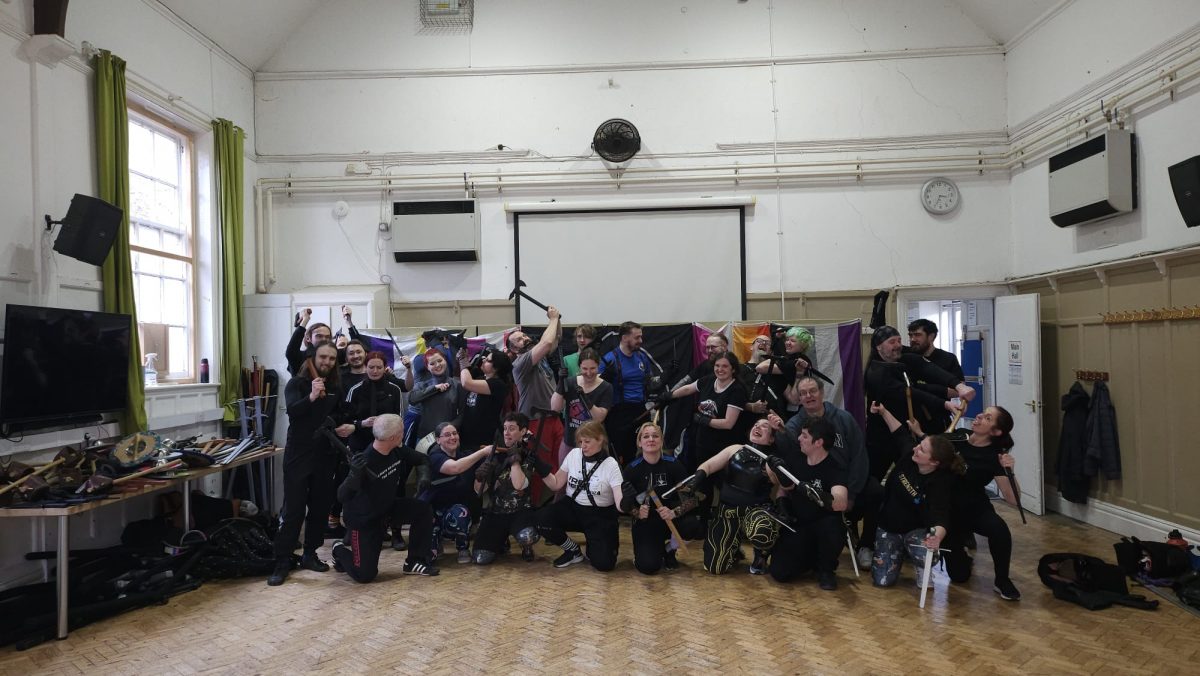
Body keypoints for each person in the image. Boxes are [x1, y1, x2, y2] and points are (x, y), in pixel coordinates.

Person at [772, 375, 878, 570]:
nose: (808, 396)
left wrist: (851, 493)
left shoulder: (844, 419)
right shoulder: (794, 425)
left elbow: (859, 456)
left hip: (845, 479)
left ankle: (866, 545)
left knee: (875, 491)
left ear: (822, 393)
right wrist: (780, 432)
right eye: (803, 393)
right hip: (816, 482)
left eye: (813, 391)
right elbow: (788, 454)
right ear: (799, 399)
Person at [329, 414, 438, 582]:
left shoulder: (397, 449)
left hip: (387, 508)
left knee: (422, 510)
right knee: (364, 575)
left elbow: (422, 459)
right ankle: (338, 549)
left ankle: (414, 561)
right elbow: (342, 496)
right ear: (393, 437)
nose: (404, 434)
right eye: (402, 431)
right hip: (364, 520)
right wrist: (354, 475)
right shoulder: (365, 461)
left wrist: (424, 476)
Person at [867, 400, 963, 588]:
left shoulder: (940, 483)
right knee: (883, 581)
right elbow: (899, 432)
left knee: (927, 555)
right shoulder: (909, 458)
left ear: (933, 462)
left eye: (922, 450)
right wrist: (883, 411)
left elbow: (941, 517)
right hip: (889, 526)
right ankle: (897, 553)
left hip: (915, 530)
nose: (915, 448)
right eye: (919, 445)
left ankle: (920, 566)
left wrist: (936, 538)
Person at [269, 343, 343, 586]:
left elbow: (340, 413)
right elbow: (293, 411)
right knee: (294, 509)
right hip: (298, 453)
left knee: (320, 507)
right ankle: (282, 560)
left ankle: (310, 554)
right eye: (323, 357)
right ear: (313, 357)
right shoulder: (296, 384)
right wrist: (311, 396)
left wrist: (345, 424)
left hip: (325, 453)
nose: (327, 362)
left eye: (331, 358)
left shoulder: (335, 386)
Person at [937, 406, 1023, 601]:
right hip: (948, 511)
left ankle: (1002, 580)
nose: (979, 416)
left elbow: (1012, 499)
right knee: (959, 576)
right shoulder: (958, 436)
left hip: (975, 508)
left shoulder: (995, 456)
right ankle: (962, 551)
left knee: (999, 529)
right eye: (983, 413)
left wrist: (1010, 470)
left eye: (987, 418)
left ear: (996, 431)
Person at [682, 418, 786, 575]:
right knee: (715, 567)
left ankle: (761, 556)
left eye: (765, 426)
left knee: (763, 529)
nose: (758, 427)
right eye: (756, 424)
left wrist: (778, 467)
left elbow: (785, 485)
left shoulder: (770, 462)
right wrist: (697, 479)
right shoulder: (735, 449)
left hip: (755, 512)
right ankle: (733, 548)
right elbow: (708, 465)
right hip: (727, 510)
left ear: (771, 438)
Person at [329, 350, 406, 536]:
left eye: (379, 367)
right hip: (361, 445)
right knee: (358, 487)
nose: (375, 371)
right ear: (366, 367)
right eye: (371, 367)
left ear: (385, 368)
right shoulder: (355, 390)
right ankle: (353, 529)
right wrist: (361, 423)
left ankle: (394, 531)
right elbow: (345, 419)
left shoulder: (394, 389)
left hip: (386, 446)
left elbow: (399, 419)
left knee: (391, 487)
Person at [767, 417, 849, 590]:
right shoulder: (796, 458)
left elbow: (841, 502)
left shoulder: (835, 467)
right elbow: (785, 488)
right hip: (799, 524)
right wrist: (782, 503)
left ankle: (826, 570)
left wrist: (815, 493)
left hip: (823, 526)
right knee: (779, 572)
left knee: (833, 526)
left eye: (804, 436)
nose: (799, 439)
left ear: (818, 442)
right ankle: (809, 560)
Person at [536, 420, 628, 571]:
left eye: (587, 441)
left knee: (604, 564)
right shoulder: (574, 454)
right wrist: (540, 467)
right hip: (573, 508)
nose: (583, 446)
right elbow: (556, 484)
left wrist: (627, 501)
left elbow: (619, 504)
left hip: (600, 516)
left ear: (600, 440)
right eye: (580, 442)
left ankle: (593, 545)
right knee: (541, 519)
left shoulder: (611, 465)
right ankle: (572, 550)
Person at [622, 422, 703, 575]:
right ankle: (654, 552)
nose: (651, 439)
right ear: (640, 442)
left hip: (670, 519)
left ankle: (669, 550)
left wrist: (674, 512)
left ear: (661, 440)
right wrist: (637, 512)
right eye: (646, 436)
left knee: (693, 525)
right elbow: (624, 505)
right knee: (648, 567)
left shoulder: (674, 465)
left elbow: (692, 500)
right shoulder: (631, 469)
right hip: (646, 522)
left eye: (655, 436)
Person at [507, 306, 566, 503]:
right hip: (535, 421)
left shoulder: (540, 358)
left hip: (553, 418)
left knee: (559, 464)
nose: (524, 339)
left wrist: (556, 319)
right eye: (519, 340)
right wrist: (553, 319)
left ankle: (554, 506)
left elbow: (555, 337)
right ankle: (535, 507)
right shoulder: (520, 363)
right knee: (541, 468)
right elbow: (547, 342)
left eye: (524, 336)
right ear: (513, 350)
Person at [472, 413, 547, 564]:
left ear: (523, 431)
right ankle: (501, 540)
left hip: (520, 511)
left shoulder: (528, 455)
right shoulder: (495, 454)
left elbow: (519, 485)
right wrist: (480, 477)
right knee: (481, 558)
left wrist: (514, 461)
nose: (507, 432)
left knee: (527, 536)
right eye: (505, 428)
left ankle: (526, 547)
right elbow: (479, 490)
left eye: (512, 429)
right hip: (496, 512)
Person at [419, 422, 492, 564]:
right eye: (447, 435)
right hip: (433, 512)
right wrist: (483, 452)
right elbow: (455, 468)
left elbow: (479, 490)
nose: (453, 437)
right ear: (438, 440)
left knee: (461, 512)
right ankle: (436, 543)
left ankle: (463, 548)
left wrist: (481, 477)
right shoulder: (435, 457)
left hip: (457, 513)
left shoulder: (467, 456)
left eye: (455, 433)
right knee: (428, 558)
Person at [665, 352, 747, 471]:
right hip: (702, 440)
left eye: (725, 366)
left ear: (733, 369)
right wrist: (669, 396)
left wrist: (705, 421)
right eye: (717, 365)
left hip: (722, 445)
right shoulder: (709, 380)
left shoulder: (737, 390)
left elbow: (728, 423)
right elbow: (688, 388)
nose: (720, 369)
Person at [600, 321, 663, 465]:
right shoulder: (610, 359)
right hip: (618, 413)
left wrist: (666, 376)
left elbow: (650, 383)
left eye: (641, 337)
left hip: (640, 411)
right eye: (637, 337)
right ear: (624, 338)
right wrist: (604, 378)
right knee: (617, 453)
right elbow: (597, 388)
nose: (640, 340)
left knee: (640, 451)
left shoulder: (642, 357)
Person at [550, 347, 612, 465]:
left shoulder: (606, 387)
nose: (588, 373)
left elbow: (599, 418)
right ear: (579, 367)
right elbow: (555, 408)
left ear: (598, 366)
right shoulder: (570, 382)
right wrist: (560, 383)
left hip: (594, 445)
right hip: (570, 443)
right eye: (584, 368)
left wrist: (585, 398)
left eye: (592, 368)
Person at [907, 318, 966, 433]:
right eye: (910, 335)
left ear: (931, 336)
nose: (913, 339)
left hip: (938, 418)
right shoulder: (907, 358)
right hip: (911, 419)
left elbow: (959, 390)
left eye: (918, 335)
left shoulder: (948, 358)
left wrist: (922, 387)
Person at [749, 326, 814, 420]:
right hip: (796, 409)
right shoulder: (795, 359)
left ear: (802, 345)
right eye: (787, 340)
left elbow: (760, 368)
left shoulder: (796, 361)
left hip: (800, 413)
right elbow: (793, 399)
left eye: (792, 341)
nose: (787, 343)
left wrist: (772, 357)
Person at [458, 347, 513, 450]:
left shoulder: (498, 385)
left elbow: (466, 383)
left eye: (488, 360)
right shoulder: (481, 379)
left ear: (496, 368)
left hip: (481, 438)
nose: (483, 360)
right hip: (466, 434)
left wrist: (462, 361)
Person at [406, 348, 463, 447]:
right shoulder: (422, 385)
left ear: (445, 360)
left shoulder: (457, 385)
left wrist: (446, 430)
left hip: (448, 437)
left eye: (440, 361)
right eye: (432, 364)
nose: (437, 365)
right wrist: (434, 388)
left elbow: (462, 414)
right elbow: (412, 399)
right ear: (427, 367)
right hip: (425, 437)